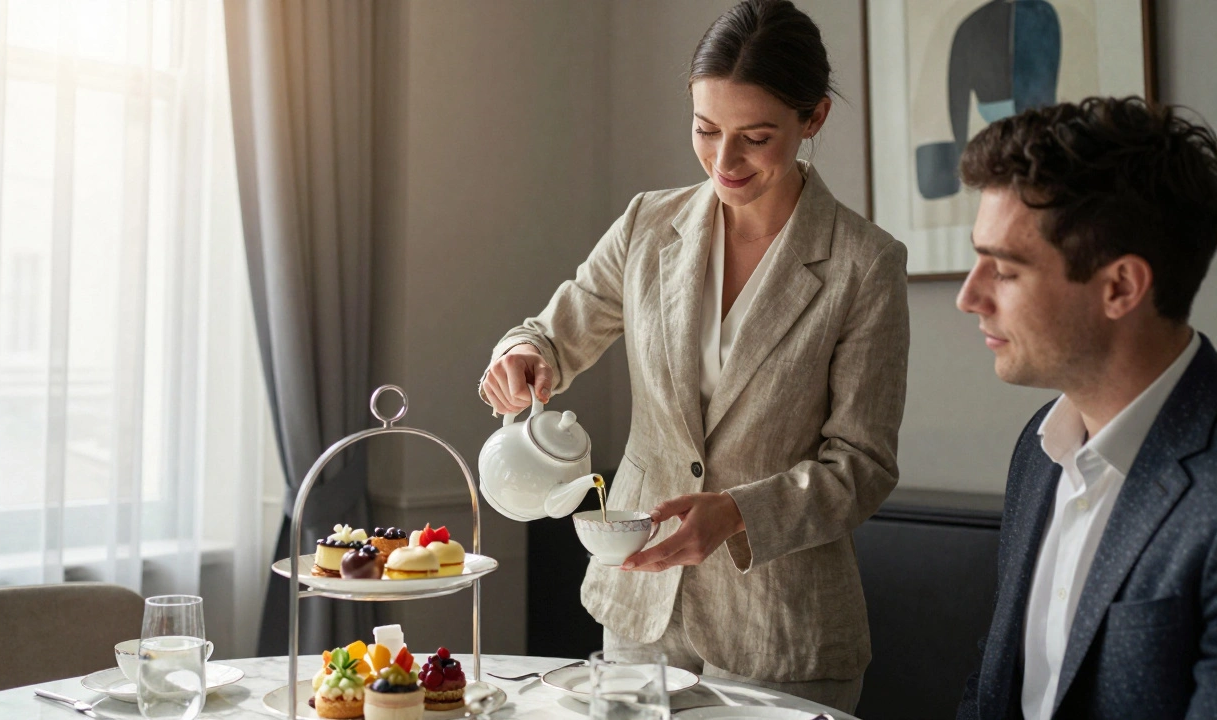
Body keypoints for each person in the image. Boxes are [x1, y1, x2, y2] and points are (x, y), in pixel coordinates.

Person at [477, 0, 908, 712]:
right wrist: (522, 353)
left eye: (756, 137)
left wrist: (738, 513)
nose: (724, 161)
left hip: (782, 635)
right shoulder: (649, 225)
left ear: (815, 119)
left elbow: (861, 466)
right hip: (641, 618)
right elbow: (552, 332)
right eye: (706, 130)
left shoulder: (864, 265)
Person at [954, 96, 1217, 719]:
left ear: (1121, 287)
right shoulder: (1038, 450)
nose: (970, 296)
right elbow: (992, 695)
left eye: (1006, 270)